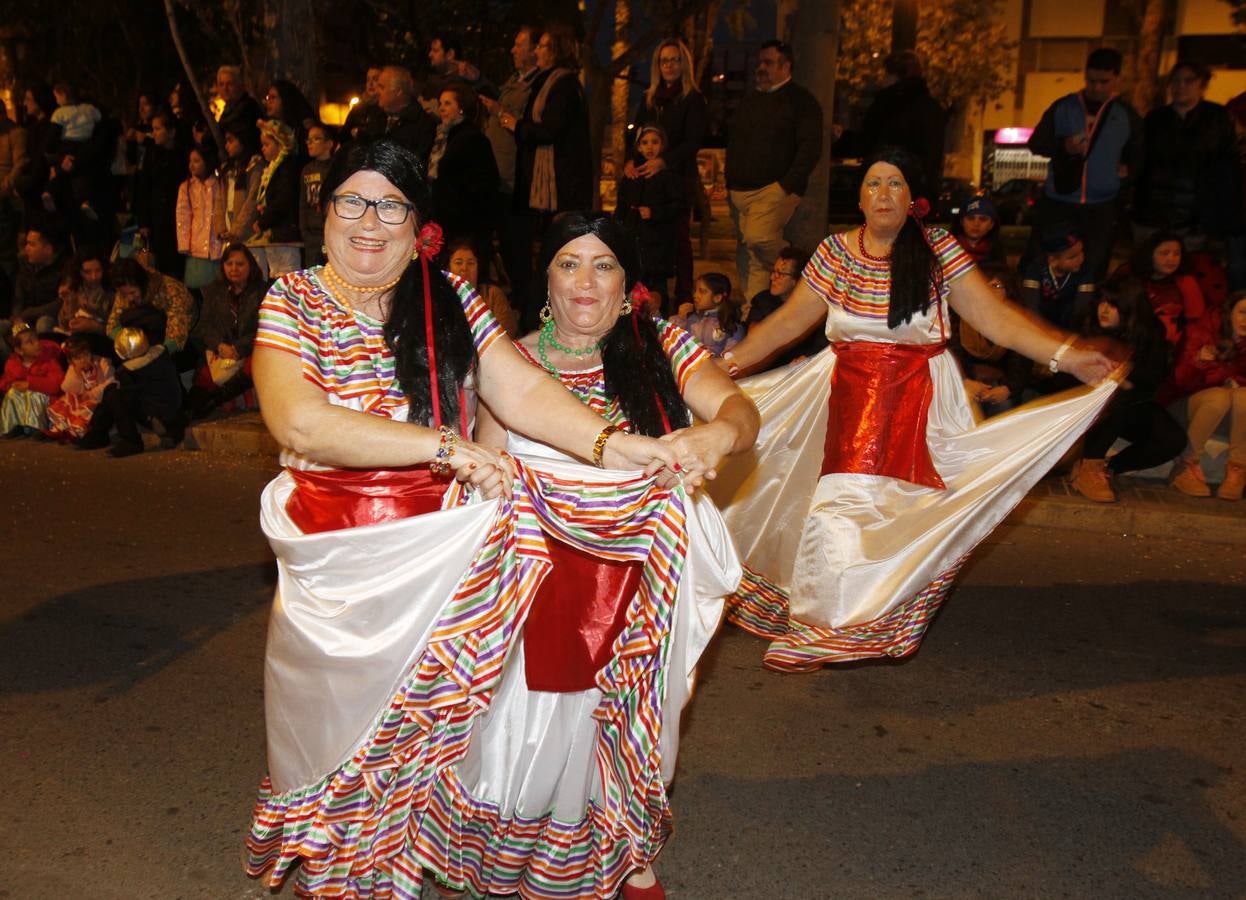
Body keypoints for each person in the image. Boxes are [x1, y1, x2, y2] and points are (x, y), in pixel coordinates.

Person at [240, 139, 681, 897]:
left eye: (391, 205)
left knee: (422, 750)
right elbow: (301, 424)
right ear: (326, 212)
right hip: (338, 566)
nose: (369, 222)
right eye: (353, 201)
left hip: (444, 561)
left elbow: (524, 393)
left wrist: (617, 446)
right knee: (333, 745)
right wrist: (443, 445)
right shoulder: (292, 301)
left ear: (419, 225)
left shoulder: (452, 300)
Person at [708, 147, 1119, 671]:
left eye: (895, 184)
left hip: (918, 400)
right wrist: (728, 366)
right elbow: (790, 323)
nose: (883, 194)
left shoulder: (938, 250)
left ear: (913, 199)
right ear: (859, 197)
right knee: (839, 505)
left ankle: (838, 624)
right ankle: (824, 626)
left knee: (893, 517)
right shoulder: (836, 252)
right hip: (849, 397)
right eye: (874, 183)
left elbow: (996, 320)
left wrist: (1068, 356)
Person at [461, 211, 758, 900]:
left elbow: (739, 411)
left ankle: (627, 851)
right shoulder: (514, 360)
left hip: (642, 580)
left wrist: (717, 438)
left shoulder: (662, 348)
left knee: (632, 713)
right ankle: (537, 849)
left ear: (628, 284)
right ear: (547, 278)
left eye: (603, 265)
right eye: (569, 263)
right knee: (536, 725)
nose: (585, 281)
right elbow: (488, 468)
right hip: (538, 577)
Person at [499, 23, 594, 328]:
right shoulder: (549, 81)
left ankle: (545, 322)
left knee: (554, 257)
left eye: (542, 45)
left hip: (562, 188)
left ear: (557, 50)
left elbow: (551, 130)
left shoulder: (564, 85)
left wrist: (517, 126)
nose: (537, 50)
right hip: (549, 187)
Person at [1027, 47, 1143, 281]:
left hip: (1101, 206)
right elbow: (1037, 143)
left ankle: (1086, 310)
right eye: (1091, 81)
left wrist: (1125, 173)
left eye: (1104, 81)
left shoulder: (1126, 115)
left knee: (1093, 267)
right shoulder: (1064, 107)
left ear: (1116, 78)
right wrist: (1064, 147)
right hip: (1060, 201)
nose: (1097, 87)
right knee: (1046, 262)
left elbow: (1139, 156)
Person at [1065, 277, 1185, 502]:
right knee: (1115, 396)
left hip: (1132, 405)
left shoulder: (1149, 335)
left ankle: (1108, 468)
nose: (1104, 309)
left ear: (1130, 309)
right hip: (1089, 404)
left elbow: (1150, 380)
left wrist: (1123, 377)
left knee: (1172, 439)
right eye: (1101, 302)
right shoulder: (1087, 327)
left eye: (1113, 305)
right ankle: (1089, 466)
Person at [725, 39, 824, 300]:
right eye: (760, 62)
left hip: (771, 190)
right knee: (749, 256)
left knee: (758, 239)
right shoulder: (750, 101)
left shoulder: (801, 102)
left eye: (768, 62)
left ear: (785, 66)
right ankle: (755, 311)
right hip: (739, 192)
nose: (761, 67)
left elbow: (810, 148)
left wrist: (786, 185)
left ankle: (801, 270)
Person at [627, 38, 708, 307]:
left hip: (677, 178)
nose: (669, 65)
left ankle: (684, 296)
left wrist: (664, 161)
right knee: (648, 237)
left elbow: (693, 141)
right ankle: (646, 292)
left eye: (674, 60)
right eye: (664, 60)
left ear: (683, 64)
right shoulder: (650, 98)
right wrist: (631, 160)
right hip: (648, 182)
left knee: (679, 240)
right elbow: (636, 134)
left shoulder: (692, 99)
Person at [1133, 60, 1240, 246]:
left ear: (1202, 85)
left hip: (1197, 217)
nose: (1180, 86)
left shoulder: (1218, 118)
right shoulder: (1155, 119)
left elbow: (1228, 165)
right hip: (1153, 212)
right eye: (1175, 81)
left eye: (1188, 81)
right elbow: (1141, 161)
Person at [1164, 290, 1246, 500]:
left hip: (1231, 412)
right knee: (1219, 397)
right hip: (1188, 405)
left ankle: (1237, 469)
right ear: (1229, 313)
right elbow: (1178, 381)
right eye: (1243, 312)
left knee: (1242, 397)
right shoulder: (1201, 331)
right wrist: (1197, 361)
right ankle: (1186, 465)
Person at [481, 25, 541, 307]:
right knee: (504, 246)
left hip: (515, 182)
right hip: (499, 179)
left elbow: (524, 126)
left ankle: (526, 305)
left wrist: (499, 112)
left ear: (535, 50)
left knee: (517, 248)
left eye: (520, 44)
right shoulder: (513, 81)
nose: (513, 50)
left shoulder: (536, 86)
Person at [185, 243, 268, 418]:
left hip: (249, 352)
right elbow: (205, 326)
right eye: (229, 264)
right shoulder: (214, 291)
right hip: (221, 352)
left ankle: (214, 401)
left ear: (250, 266)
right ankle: (182, 417)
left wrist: (238, 349)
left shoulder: (262, 291)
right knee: (204, 379)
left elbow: (266, 328)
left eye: (240, 264)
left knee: (257, 363)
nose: (234, 269)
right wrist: (220, 346)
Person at [78, 325, 184, 457]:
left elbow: (124, 400)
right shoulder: (162, 353)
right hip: (172, 408)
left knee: (113, 395)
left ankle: (129, 441)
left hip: (154, 413)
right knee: (115, 392)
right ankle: (98, 433)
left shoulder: (129, 371)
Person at [859, 50, 946, 194]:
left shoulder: (887, 106)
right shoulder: (930, 107)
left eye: (886, 74)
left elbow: (869, 142)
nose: (882, 79)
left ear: (896, 76)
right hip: (915, 190)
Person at [950, 263, 1031, 417]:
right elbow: (953, 354)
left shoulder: (1017, 323)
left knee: (1004, 407)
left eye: (996, 285)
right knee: (964, 406)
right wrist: (966, 381)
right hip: (966, 380)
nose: (988, 291)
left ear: (1009, 292)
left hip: (1001, 384)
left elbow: (1021, 363)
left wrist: (1007, 388)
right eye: (983, 285)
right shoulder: (959, 317)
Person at [615, 124, 682, 308]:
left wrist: (655, 212)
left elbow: (677, 206)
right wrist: (618, 229)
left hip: (658, 245)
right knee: (632, 287)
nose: (650, 147)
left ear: (663, 145)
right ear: (638, 147)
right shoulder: (631, 174)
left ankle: (660, 325)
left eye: (655, 142)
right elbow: (621, 206)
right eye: (645, 143)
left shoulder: (667, 175)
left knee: (657, 290)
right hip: (633, 240)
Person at [428, 83, 498, 253]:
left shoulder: (472, 138)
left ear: (461, 108)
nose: (441, 108)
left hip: (463, 220)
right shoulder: (442, 136)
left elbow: (484, 181)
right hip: (443, 216)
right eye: (440, 103)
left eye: (448, 103)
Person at [1115, 231, 1206, 349]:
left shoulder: (1186, 282)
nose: (1171, 259)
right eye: (1164, 253)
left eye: (1177, 254)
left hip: (1168, 346)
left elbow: (1195, 322)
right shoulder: (1128, 274)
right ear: (1150, 254)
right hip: (1126, 338)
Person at [742, 245, 826, 370]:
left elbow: (821, 347)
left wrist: (808, 357)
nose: (772, 278)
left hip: (798, 371)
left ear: (797, 280)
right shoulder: (763, 300)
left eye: (780, 274)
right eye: (773, 272)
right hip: (765, 369)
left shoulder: (814, 307)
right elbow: (754, 337)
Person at [133, 111, 188, 279]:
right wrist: (143, 221)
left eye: (158, 129)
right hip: (157, 218)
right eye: (153, 129)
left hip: (178, 218)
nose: (154, 133)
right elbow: (143, 188)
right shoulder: (151, 155)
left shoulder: (183, 155)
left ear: (171, 132)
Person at [1019, 225, 1096, 330]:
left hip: (1071, 328)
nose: (1080, 259)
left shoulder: (1084, 271)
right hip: (1040, 327)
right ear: (1053, 261)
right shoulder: (1036, 268)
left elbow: (1081, 309)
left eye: (1081, 252)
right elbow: (1031, 306)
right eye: (1072, 257)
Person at [44, 333, 115, 441]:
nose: (83, 360)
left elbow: (111, 382)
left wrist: (93, 393)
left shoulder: (101, 363)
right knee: (69, 400)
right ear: (71, 361)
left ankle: (77, 430)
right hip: (81, 400)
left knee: (86, 409)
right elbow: (66, 387)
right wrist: (76, 373)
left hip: (98, 401)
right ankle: (63, 428)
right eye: (78, 358)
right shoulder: (74, 370)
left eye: (85, 355)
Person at [444, 236, 517, 336]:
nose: (464, 268)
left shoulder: (492, 295)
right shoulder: (441, 298)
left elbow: (506, 333)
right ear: (448, 268)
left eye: (471, 263)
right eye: (458, 263)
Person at [175, 144, 225, 289]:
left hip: (217, 245)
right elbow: (182, 217)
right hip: (196, 245)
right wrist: (184, 244)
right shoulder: (187, 187)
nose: (192, 165)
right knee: (197, 287)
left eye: (196, 161)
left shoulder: (219, 183)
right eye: (190, 161)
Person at [1, 322, 63, 437]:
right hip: (23, 405)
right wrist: (11, 385)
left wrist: (30, 384)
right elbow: (4, 381)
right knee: (12, 393)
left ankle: (35, 427)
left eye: (36, 339)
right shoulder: (13, 364)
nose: (37, 344)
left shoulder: (48, 361)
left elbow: (55, 385)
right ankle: (13, 425)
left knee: (33, 394)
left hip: (47, 405)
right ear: (19, 350)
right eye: (30, 342)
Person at [251, 119, 301, 245]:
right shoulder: (272, 168)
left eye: (266, 145)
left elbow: (283, 199)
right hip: (274, 230)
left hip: (284, 233)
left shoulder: (286, 168)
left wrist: (264, 221)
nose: (263, 149)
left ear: (280, 144)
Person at [672, 271, 744, 356]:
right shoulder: (691, 320)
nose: (695, 295)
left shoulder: (729, 325)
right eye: (695, 291)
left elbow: (731, 354)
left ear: (717, 298)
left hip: (714, 367)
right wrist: (681, 317)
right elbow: (673, 341)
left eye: (702, 291)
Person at [375, 65, 437, 164]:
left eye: (382, 87)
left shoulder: (423, 125)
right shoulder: (374, 116)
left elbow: (416, 164)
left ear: (398, 91)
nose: (377, 91)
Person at [298, 122, 335, 267]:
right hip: (311, 236)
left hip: (330, 234)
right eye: (308, 139)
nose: (310, 143)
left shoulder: (335, 167)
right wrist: (304, 231)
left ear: (329, 144)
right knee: (313, 277)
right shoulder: (307, 170)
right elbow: (302, 203)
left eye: (316, 139)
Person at [219, 125, 263, 245]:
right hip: (230, 231)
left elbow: (252, 200)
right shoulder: (227, 169)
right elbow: (219, 201)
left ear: (243, 140)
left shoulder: (254, 165)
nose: (226, 145)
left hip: (248, 236)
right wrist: (221, 228)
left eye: (231, 140)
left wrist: (237, 230)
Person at [215, 66, 263, 155]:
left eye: (229, 84)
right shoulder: (227, 111)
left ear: (238, 85)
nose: (225, 89)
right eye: (221, 84)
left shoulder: (248, 107)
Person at [952, 195, 1005, 267]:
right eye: (970, 218)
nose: (976, 224)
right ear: (962, 222)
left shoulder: (997, 253)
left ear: (991, 225)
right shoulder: (948, 249)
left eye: (983, 219)